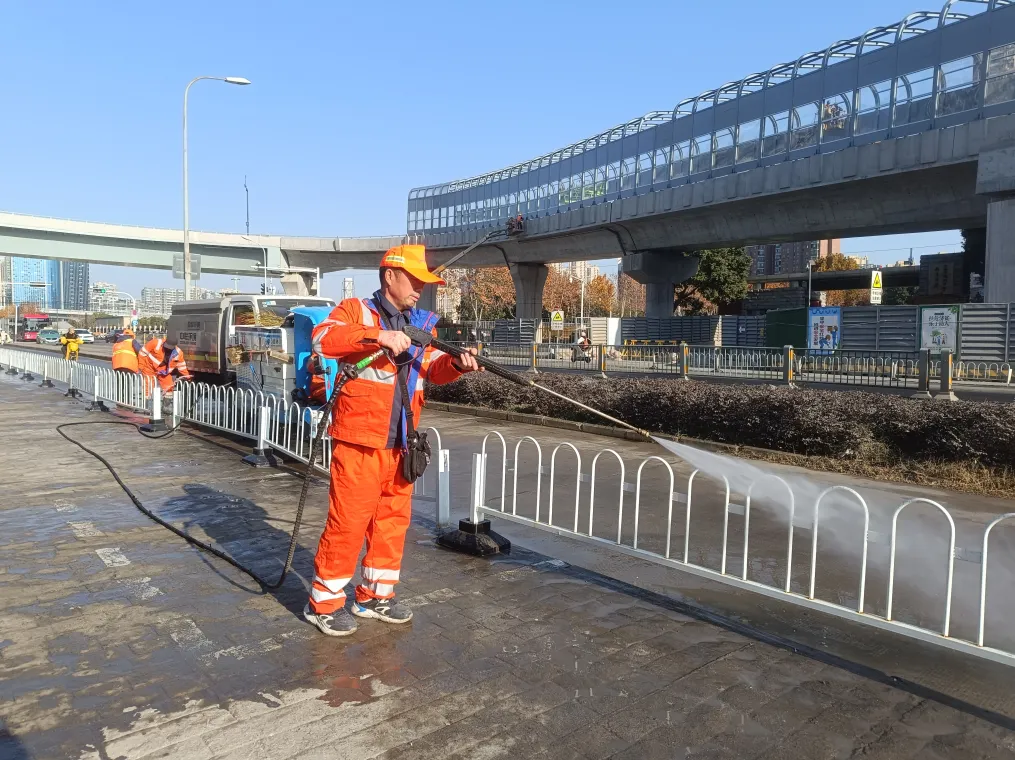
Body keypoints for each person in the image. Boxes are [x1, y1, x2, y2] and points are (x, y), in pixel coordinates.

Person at [304, 244, 482, 637]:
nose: (421, 288)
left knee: (391, 525)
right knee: (347, 525)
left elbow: (431, 370)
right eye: (415, 279)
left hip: (402, 445)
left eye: (425, 282)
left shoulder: (423, 325)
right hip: (359, 444)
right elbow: (324, 339)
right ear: (390, 276)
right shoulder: (355, 311)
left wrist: (455, 364)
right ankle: (324, 603)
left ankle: (374, 597)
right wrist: (378, 336)